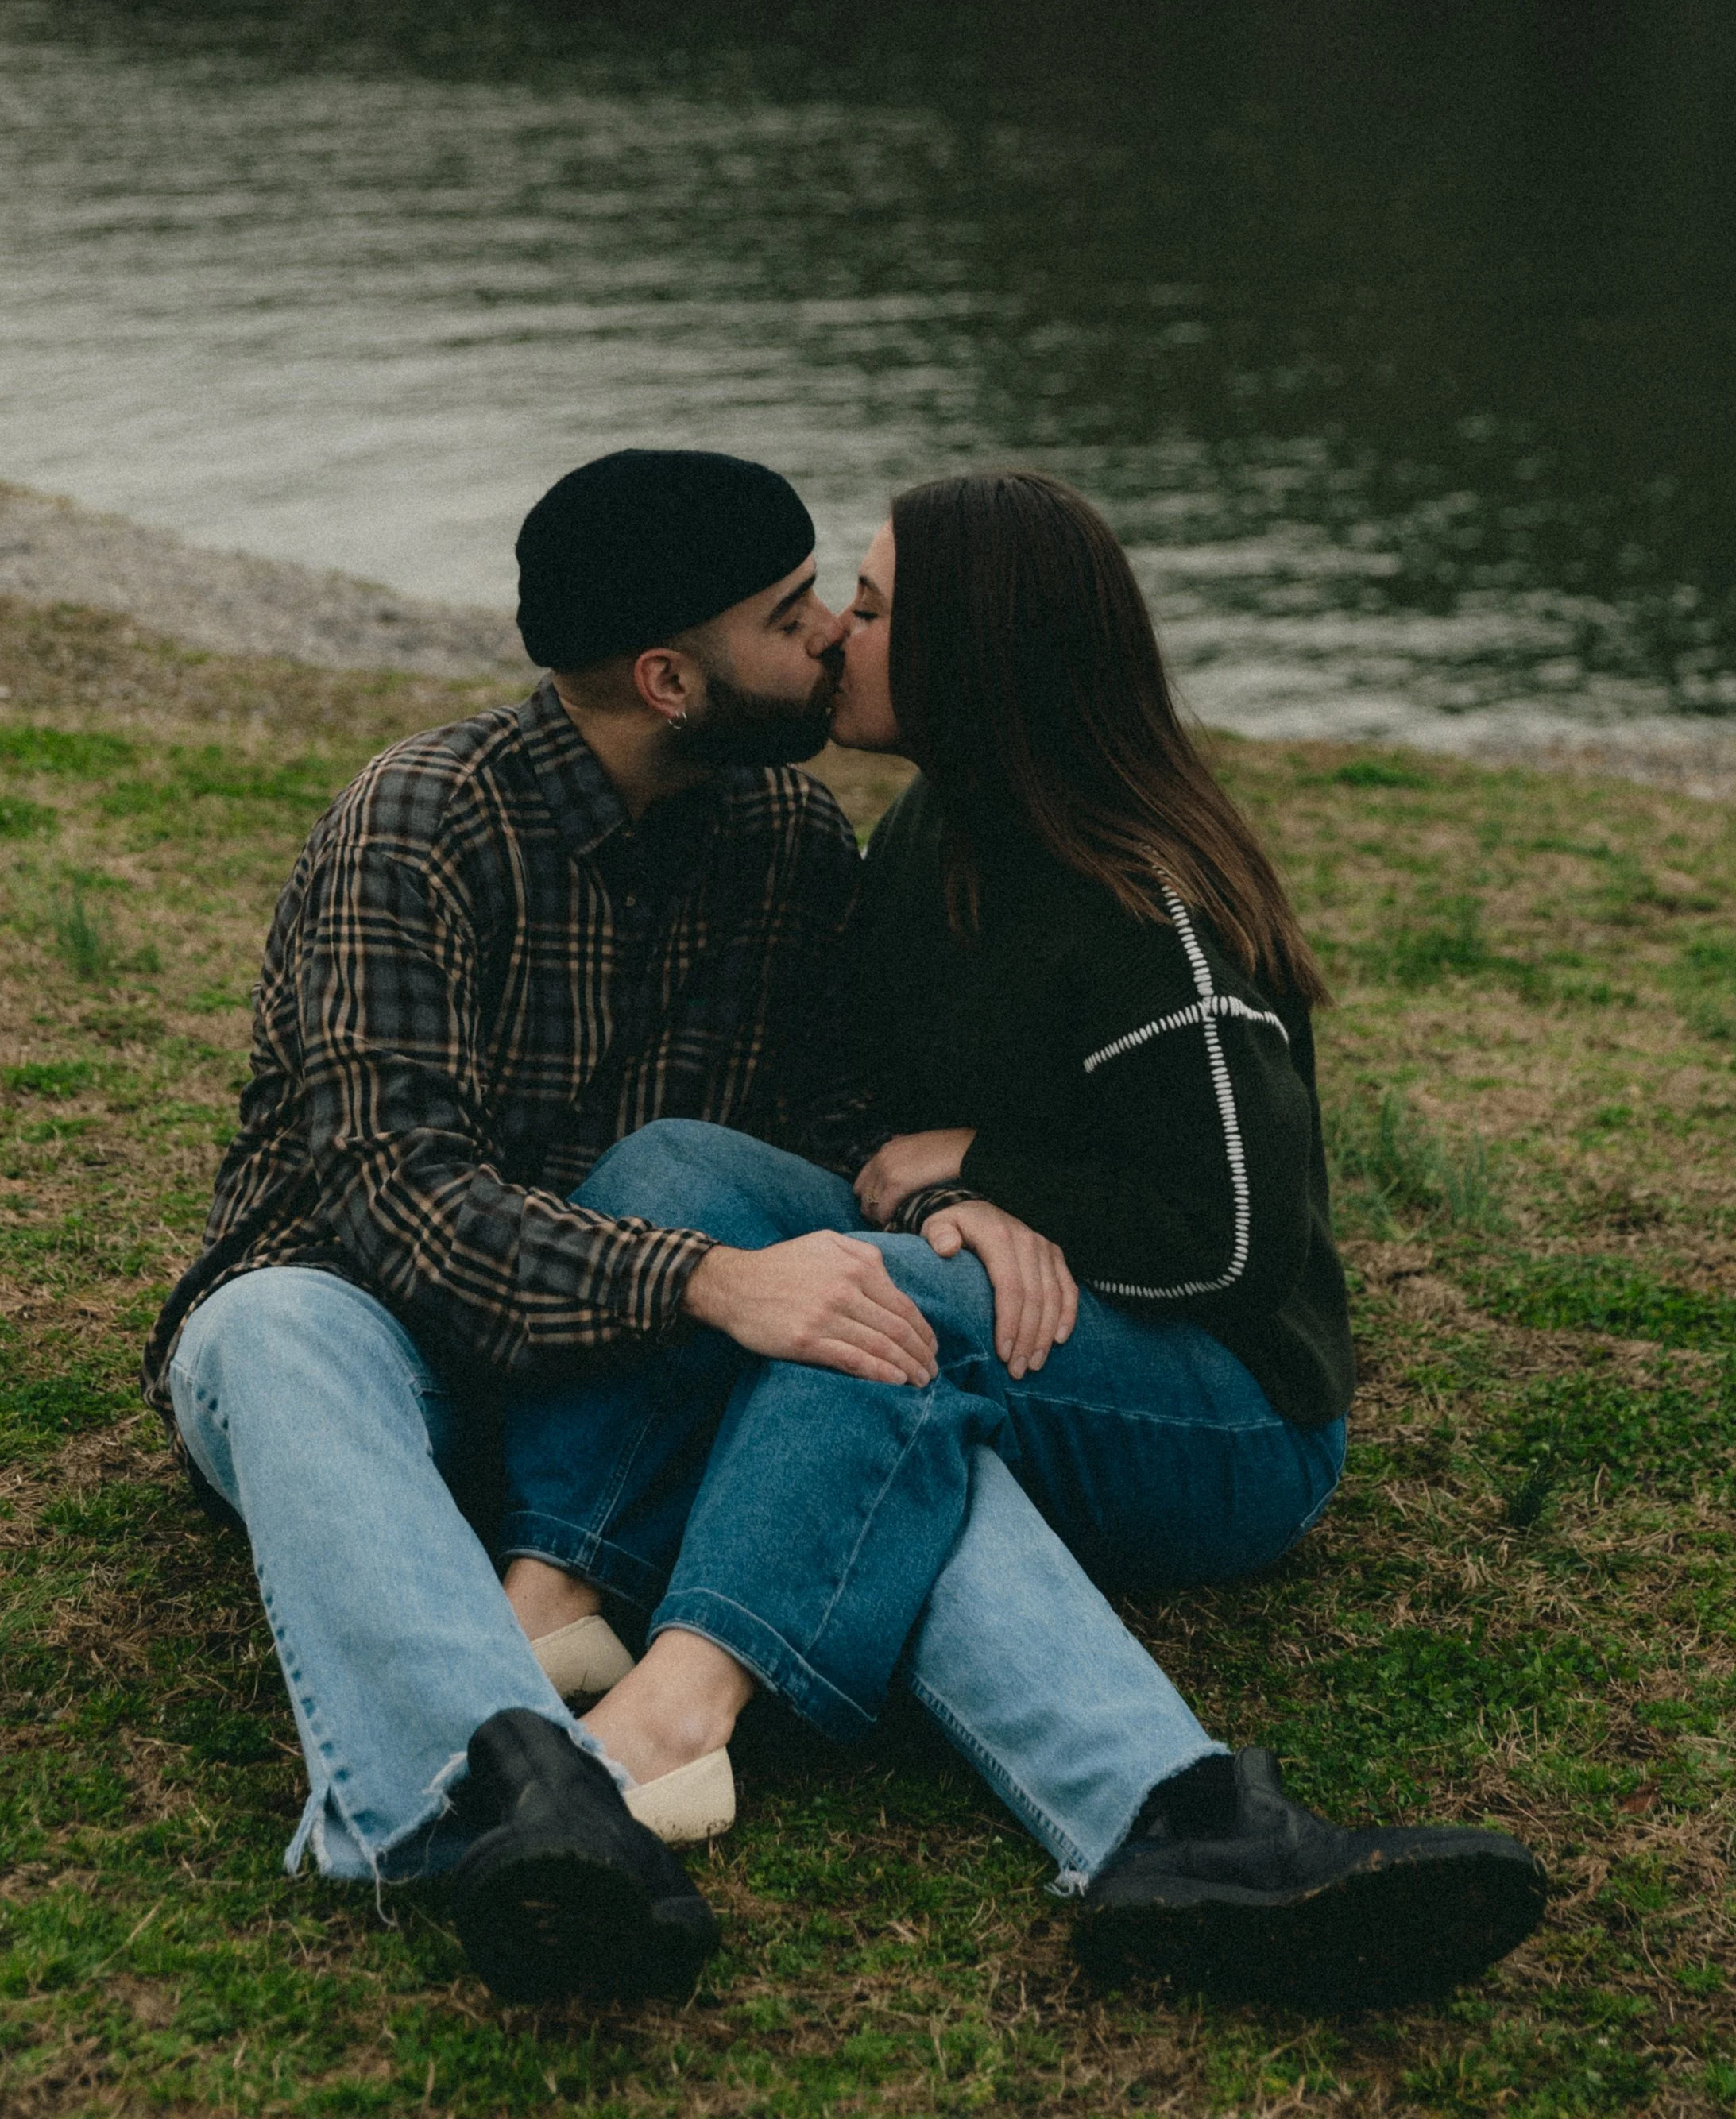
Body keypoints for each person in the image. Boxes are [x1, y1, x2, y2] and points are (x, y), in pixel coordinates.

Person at [145, 448, 1261, 2007]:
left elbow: (828, 1128)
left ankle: (1170, 1811)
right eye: (788, 612)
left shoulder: (792, 846)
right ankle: (488, 1803)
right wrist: (712, 1276)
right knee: (273, 1321)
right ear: (670, 677)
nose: (828, 634)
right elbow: (394, 1197)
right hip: (375, 1360)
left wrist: (941, 1205)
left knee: (879, 1337)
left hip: (627, 1392)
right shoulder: (417, 827)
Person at [495, 471, 1547, 2012]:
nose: (838, 630)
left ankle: (666, 1719)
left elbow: (1232, 1241)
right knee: (678, 1171)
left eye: (873, 602)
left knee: (885, 1318)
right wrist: (941, 1196)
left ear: (975, 651)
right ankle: (559, 1602)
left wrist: (986, 1176)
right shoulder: (932, 832)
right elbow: (874, 1131)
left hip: (1227, 1408)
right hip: (1006, 1309)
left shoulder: (1140, 894)